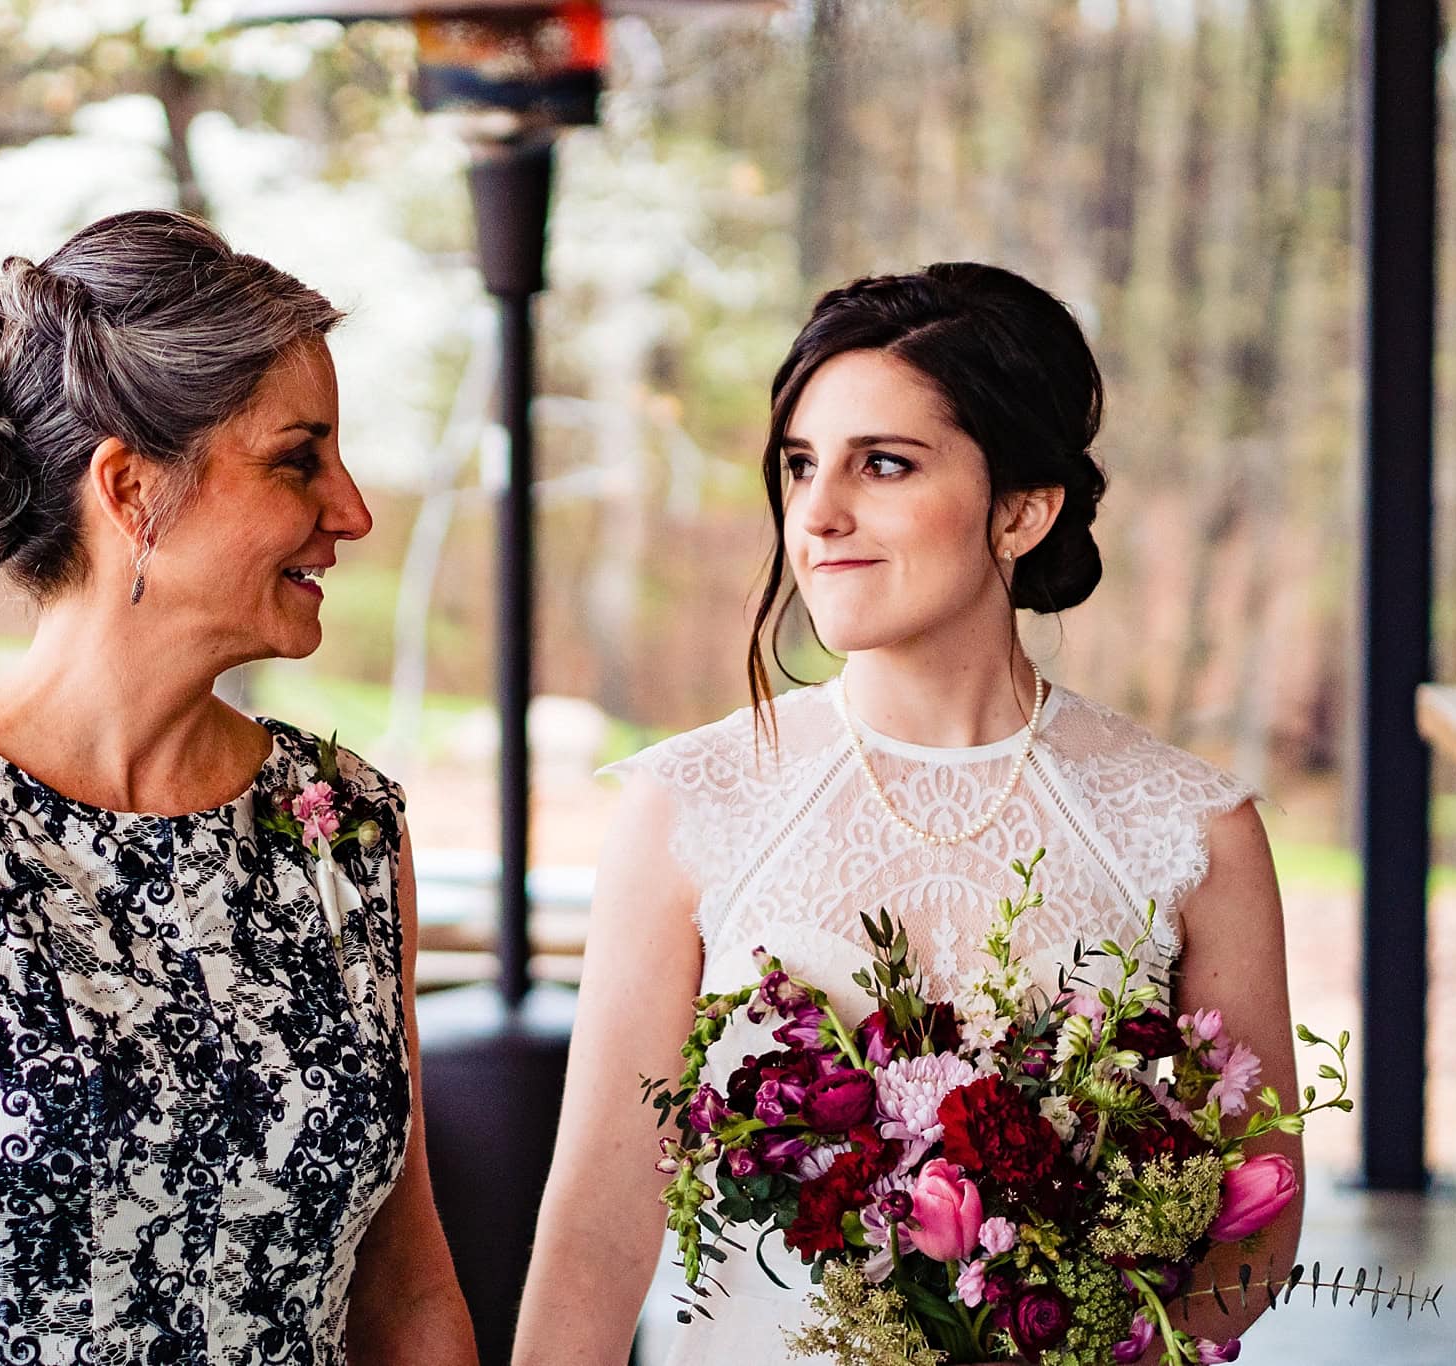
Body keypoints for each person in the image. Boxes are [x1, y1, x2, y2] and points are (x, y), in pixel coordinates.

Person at [0, 210, 477, 1366]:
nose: (351, 510)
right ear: (130, 491)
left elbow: (406, 1293)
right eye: (295, 458)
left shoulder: (348, 830)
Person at [512, 264, 1300, 1366]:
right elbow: (597, 1222)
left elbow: (1256, 1224)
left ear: (1021, 510)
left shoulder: (1191, 829)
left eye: (881, 463)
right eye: (799, 466)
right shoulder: (687, 806)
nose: (817, 515)